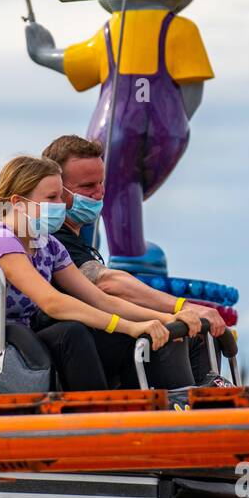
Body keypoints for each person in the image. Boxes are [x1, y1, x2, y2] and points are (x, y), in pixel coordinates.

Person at [0, 155, 205, 391]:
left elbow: (100, 299)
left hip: (19, 342)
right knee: (71, 333)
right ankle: (98, 414)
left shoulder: (47, 244)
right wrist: (129, 326)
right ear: (19, 204)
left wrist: (163, 318)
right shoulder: (1, 239)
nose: (60, 205)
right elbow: (53, 303)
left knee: (124, 341)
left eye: (61, 197)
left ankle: (142, 410)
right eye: (51, 198)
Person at [42, 134, 228, 385]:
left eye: (101, 183)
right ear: (55, 189)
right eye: (87, 187)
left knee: (194, 334)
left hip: (100, 338)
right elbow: (106, 283)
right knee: (165, 337)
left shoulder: (75, 239)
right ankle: (181, 415)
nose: (98, 194)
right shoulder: (52, 238)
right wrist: (179, 308)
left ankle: (208, 402)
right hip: (73, 350)